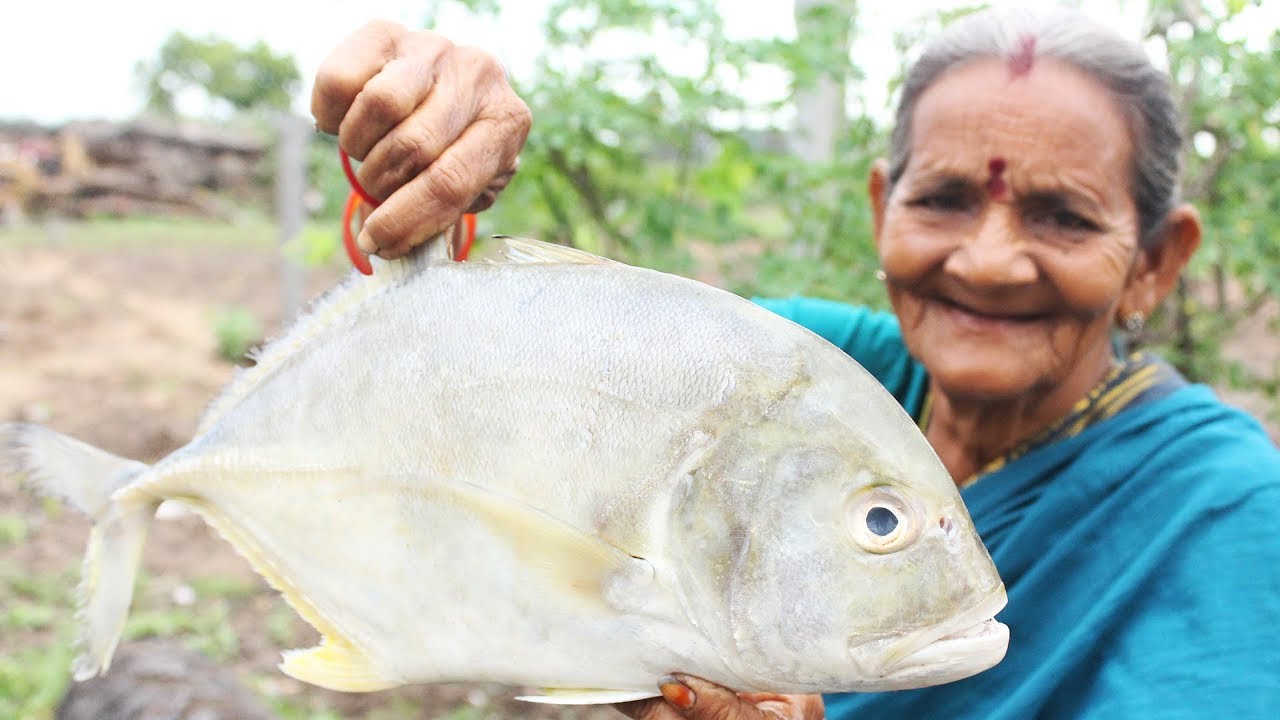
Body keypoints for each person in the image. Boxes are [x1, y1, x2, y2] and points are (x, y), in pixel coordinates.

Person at [310, 6, 1280, 719]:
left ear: (1154, 262)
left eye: (1061, 216)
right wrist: (426, 176)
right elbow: (502, 358)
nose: (984, 260)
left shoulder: (1223, 507)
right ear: (878, 211)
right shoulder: (805, 378)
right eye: (941, 198)